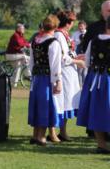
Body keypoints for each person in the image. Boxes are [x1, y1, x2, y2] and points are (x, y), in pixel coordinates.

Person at [76, 15, 110, 153]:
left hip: (94, 78)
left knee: (96, 110)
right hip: (107, 79)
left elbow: (87, 62)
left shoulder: (93, 41)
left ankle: (101, 145)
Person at [28, 15, 63, 146]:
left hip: (36, 78)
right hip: (46, 79)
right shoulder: (53, 43)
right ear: (55, 26)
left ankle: (35, 135)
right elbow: (55, 65)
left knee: (37, 105)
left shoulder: (35, 41)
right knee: (45, 106)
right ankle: (41, 137)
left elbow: (31, 62)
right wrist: (58, 81)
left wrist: (32, 76)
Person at [53, 10, 84, 141]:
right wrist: (78, 62)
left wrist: (77, 57)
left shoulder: (64, 34)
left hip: (70, 73)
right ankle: (55, 132)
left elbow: (69, 54)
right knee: (61, 102)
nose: (73, 24)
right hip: (64, 73)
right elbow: (63, 57)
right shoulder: (59, 35)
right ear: (68, 22)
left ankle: (63, 131)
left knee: (67, 103)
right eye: (72, 22)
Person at [5, 23, 31, 87]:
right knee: (26, 57)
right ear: (18, 29)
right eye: (22, 28)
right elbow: (20, 44)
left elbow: (25, 42)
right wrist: (28, 45)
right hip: (10, 55)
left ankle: (14, 83)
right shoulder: (15, 35)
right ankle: (28, 75)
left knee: (18, 66)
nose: (24, 29)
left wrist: (28, 45)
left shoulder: (21, 36)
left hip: (16, 55)